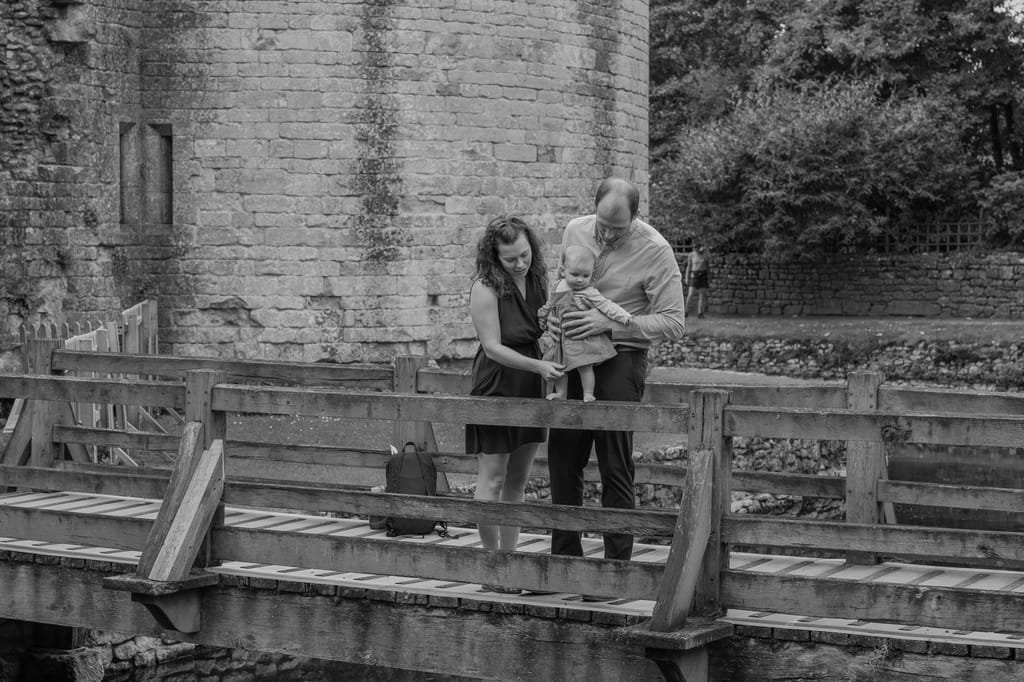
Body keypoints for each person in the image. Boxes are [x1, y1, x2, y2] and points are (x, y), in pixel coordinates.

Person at [547, 178, 686, 582]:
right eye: (602, 226)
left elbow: (674, 323)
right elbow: (563, 286)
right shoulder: (575, 230)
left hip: (622, 359)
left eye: (617, 229)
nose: (606, 236)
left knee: (614, 462)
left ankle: (615, 570)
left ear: (636, 217)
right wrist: (554, 323)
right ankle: (564, 565)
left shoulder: (656, 250)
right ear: (593, 207)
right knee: (562, 459)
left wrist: (608, 325)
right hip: (572, 356)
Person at [466, 215, 565, 594]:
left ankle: (511, 562)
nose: (519, 263)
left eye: (524, 255)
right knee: (492, 477)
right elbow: (493, 347)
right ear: (495, 257)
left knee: (518, 481)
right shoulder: (484, 287)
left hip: (531, 383)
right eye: (510, 259)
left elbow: (545, 329)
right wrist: (540, 364)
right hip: (497, 383)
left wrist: (552, 338)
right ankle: (491, 566)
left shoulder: (539, 280)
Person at [538, 245, 633, 402]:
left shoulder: (588, 292)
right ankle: (561, 393)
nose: (580, 279)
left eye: (585, 275)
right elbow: (550, 303)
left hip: (580, 338)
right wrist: (543, 314)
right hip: (561, 339)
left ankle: (588, 393)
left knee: (585, 366)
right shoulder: (557, 286)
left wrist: (624, 316)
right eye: (575, 274)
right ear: (562, 271)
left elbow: (607, 306)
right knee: (559, 367)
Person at [684, 242, 710, 318]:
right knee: (690, 294)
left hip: (703, 275)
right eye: (694, 247)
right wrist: (686, 277)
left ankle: (700, 313)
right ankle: (686, 312)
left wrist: (709, 276)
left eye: (697, 247)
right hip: (694, 275)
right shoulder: (691, 255)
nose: (695, 248)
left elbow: (707, 266)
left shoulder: (704, 255)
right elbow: (689, 267)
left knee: (702, 295)